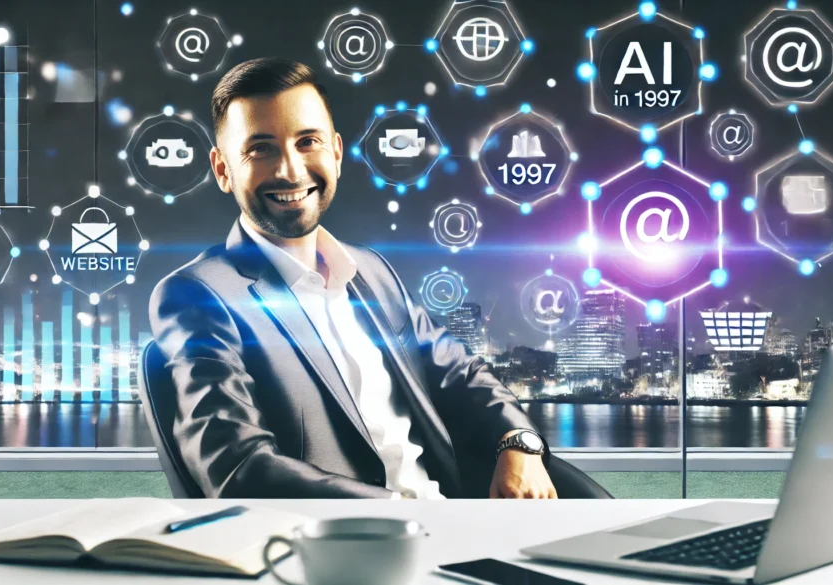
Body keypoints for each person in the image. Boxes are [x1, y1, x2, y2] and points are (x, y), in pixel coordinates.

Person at [149, 57, 557, 499]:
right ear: (223, 169)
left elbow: (462, 375)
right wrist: (406, 513)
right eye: (261, 148)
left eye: (308, 142)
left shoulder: (374, 273)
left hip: (459, 516)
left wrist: (519, 444)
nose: (290, 169)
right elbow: (237, 467)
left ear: (337, 154)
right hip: (344, 549)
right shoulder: (199, 296)